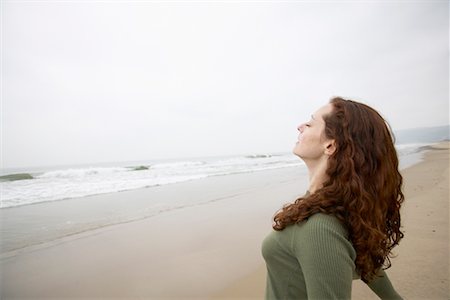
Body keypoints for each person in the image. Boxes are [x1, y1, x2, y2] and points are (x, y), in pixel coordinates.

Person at [262, 97, 404, 299]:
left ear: (330, 145)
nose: (300, 126)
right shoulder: (332, 204)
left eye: (310, 123)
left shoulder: (319, 228)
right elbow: (364, 257)